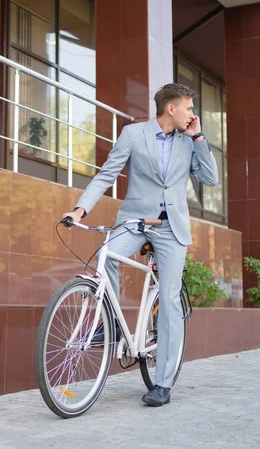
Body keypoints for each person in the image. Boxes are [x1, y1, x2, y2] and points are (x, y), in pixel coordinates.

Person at [62, 83, 218, 407]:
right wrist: (80, 209)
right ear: (171, 109)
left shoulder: (189, 144)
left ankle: (162, 384)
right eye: (188, 108)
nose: (192, 114)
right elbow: (107, 174)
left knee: (170, 299)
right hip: (135, 220)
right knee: (106, 256)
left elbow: (211, 179)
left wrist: (199, 138)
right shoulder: (133, 135)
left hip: (171, 229)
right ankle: (112, 327)